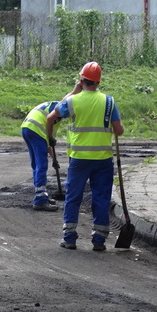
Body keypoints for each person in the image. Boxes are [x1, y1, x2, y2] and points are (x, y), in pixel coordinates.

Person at [46, 62, 124, 251]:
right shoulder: (109, 102)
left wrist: (50, 140)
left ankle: (70, 237)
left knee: (73, 197)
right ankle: (99, 240)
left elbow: (51, 117)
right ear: (98, 82)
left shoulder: (73, 101)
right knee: (101, 197)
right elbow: (119, 131)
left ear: (81, 80)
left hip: (79, 159)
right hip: (103, 160)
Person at [20, 83, 83, 211]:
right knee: (42, 165)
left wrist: (54, 159)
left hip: (27, 128)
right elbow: (49, 139)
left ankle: (41, 194)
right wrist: (75, 91)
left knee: (36, 164)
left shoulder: (53, 106)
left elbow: (49, 142)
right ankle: (40, 200)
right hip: (36, 129)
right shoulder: (57, 112)